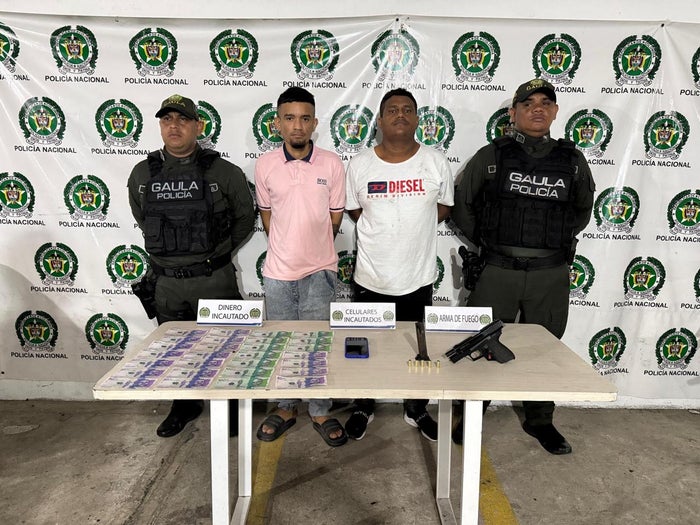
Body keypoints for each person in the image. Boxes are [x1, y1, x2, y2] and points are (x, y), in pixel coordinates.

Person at [451, 78, 596, 454]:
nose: (537, 109)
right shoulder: (492, 156)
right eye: (528, 103)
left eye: (545, 103)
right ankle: (472, 415)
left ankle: (540, 420)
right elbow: (463, 206)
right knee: (481, 343)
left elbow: (581, 212)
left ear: (555, 111)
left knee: (544, 349)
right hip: (498, 271)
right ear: (513, 112)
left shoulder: (572, 161)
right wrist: (491, 244)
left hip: (549, 274)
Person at [128, 94, 256, 438]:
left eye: (183, 119)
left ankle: (230, 406)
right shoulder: (142, 173)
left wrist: (216, 254)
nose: (174, 126)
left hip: (213, 278)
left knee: (226, 349)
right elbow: (143, 218)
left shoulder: (224, 171)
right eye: (167, 119)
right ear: (160, 125)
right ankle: (184, 405)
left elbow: (245, 219)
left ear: (198, 126)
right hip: (168, 284)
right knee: (175, 351)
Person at [344, 88, 454, 441]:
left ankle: (416, 408)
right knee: (362, 349)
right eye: (392, 110)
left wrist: (413, 227)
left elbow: (442, 208)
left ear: (418, 119)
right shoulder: (360, 165)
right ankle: (363, 405)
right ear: (379, 120)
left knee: (418, 349)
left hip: (417, 278)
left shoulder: (435, 162)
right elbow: (355, 211)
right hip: (371, 277)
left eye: (408, 109)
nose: (400, 115)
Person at [254, 87, 348, 447]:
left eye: (305, 118)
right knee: (281, 344)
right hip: (277, 274)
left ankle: (320, 409)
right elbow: (267, 215)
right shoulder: (265, 164)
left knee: (317, 344)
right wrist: (287, 246)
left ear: (315, 122)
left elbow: (335, 217)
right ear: (277, 123)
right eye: (289, 118)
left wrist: (313, 249)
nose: (297, 125)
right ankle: (286, 407)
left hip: (320, 272)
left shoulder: (332, 164)